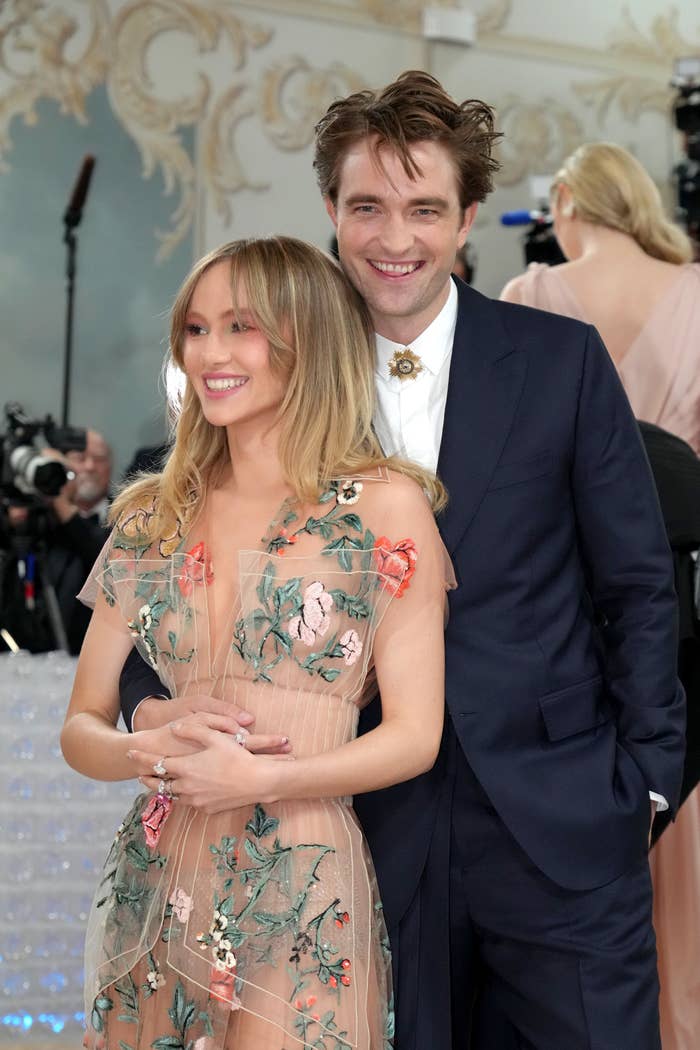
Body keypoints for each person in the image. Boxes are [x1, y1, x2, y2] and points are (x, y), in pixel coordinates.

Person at [120, 73, 685, 1049]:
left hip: (559, 820)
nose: (395, 239)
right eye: (367, 207)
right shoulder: (268, 373)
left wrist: (644, 782)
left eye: (424, 208)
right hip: (342, 829)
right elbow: (179, 567)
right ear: (331, 212)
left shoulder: (560, 361)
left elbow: (637, 586)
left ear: (467, 217)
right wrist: (151, 701)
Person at [61, 235, 449, 1049]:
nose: (210, 353)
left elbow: (415, 737)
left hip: (303, 873)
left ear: (306, 339)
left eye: (241, 327)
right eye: (196, 330)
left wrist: (267, 773)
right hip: (161, 872)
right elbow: (83, 726)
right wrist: (150, 745)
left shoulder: (384, 509)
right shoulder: (150, 514)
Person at [500, 141, 699, 1050]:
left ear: (568, 201)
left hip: (556, 614)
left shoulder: (530, 297)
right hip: (682, 609)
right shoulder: (698, 294)